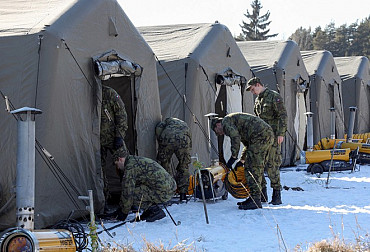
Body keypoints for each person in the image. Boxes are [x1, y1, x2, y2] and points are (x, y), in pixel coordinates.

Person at [211, 112, 274, 210]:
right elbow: (248, 145)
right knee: (257, 166)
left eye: (216, 131)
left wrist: (233, 157)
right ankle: (261, 195)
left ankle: (255, 200)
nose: (219, 134)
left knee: (251, 168)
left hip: (260, 136)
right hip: (264, 135)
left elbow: (235, 138)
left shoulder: (226, 122)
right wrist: (241, 160)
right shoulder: (235, 123)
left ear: (218, 124)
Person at [246, 77, 288, 205]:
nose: (253, 92)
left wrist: (281, 133)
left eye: (253, 89)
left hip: (273, 137)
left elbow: (283, 115)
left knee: (272, 165)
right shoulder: (258, 100)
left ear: (258, 85)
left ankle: (276, 195)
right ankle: (262, 194)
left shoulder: (273, 96)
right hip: (261, 138)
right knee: (259, 164)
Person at [110, 155, 177, 222]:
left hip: (164, 191)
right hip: (171, 187)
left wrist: (123, 213)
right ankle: (150, 210)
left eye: (117, 164)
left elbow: (128, 192)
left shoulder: (130, 167)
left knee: (133, 195)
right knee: (138, 188)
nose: (118, 168)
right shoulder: (135, 160)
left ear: (120, 159)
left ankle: (154, 211)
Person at [100, 85, 129, 202]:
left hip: (113, 137)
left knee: (125, 166)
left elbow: (121, 115)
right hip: (96, 140)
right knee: (99, 172)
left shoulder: (109, 93)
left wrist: (119, 135)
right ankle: (104, 201)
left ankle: (128, 199)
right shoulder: (85, 92)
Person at [155, 117, 192, 201]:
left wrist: (161, 145)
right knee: (184, 165)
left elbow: (158, 132)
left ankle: (168, 191)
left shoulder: (164, 122)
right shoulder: (184, 124)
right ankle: (183, 193)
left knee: (165, 164)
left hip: (167, 137)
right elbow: (190, 140)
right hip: (184, 138)